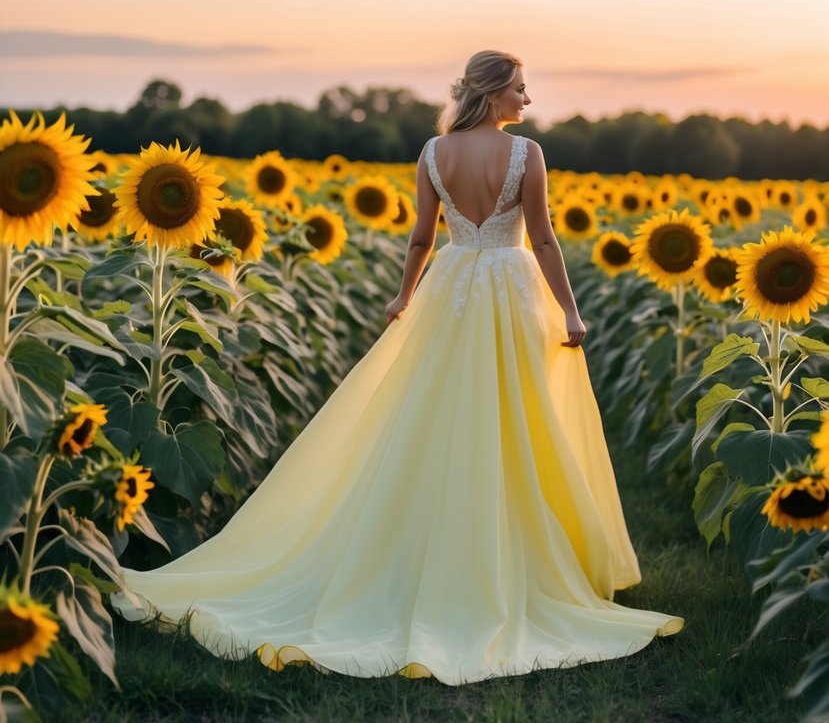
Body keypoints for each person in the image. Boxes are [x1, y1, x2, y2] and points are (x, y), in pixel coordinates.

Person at [111, 49, 684, 684]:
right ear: (494, 95)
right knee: (518, 417)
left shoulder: (434, 154)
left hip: (453, 283)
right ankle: (507, 557)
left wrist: (406, 295)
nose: (528, 100)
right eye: (521, 89)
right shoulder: (527, 154)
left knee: (437, 415)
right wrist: (570, 311)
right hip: (512, 288)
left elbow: (421, 237)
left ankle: (429, 542)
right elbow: (543, 238)